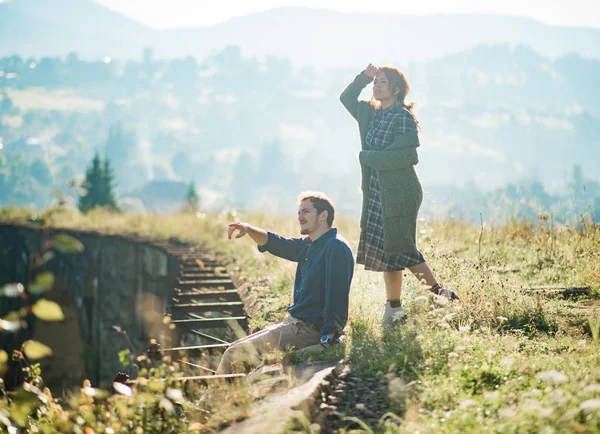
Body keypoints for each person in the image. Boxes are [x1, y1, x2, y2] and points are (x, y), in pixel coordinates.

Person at [340, 63, 458, 328]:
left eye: (382, 82)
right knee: (388, 252)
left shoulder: (402, 117)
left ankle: (439, 295)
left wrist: (368, 157)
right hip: (377, 191)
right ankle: (394, 308)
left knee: (401, 246)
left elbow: (407, 156)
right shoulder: (369, 113)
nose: (377, 86)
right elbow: (345, 98)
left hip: (401, 191)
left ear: (395, 89)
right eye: (375, 82)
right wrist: (362, 77)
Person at [215, 191, 354, 374]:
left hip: (306, 330)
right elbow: (277, 243)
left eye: (305, 212)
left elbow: (336, 295)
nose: (300, 217)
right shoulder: (310, 245)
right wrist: (248, 229)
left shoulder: (335, 248)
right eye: (298, 213)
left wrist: (328, 338)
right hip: (294, 325)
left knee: (234, 353)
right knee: (235, 348)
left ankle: (207, 401)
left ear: (323, 215)